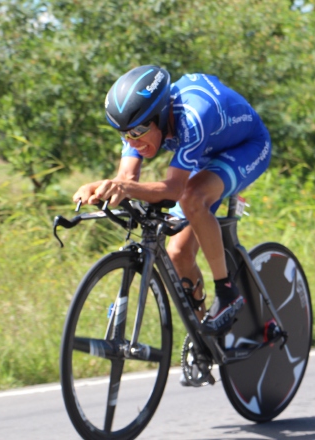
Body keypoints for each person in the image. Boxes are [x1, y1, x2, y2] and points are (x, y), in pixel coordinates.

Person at [73, 65, 271, 341]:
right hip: (204, 152)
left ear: (161, 114)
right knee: (178, 253)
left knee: (193, 198)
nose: (134, 141)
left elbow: (175, 189)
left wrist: (125, 188)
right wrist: (100, 189)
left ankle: (227, 291)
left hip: (246, 147)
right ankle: (208, 337)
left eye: (139, 131)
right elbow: (127, 178)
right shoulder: (137, 123)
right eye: (125, 134)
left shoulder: (193, 115)